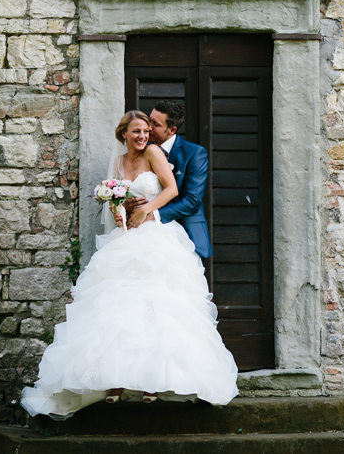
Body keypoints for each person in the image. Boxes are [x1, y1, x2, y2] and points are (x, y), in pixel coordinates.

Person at [19, 109, 237, 420]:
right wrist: (119, 210)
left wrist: (147, 209)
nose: (143, 136)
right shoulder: (120, 161)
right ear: (124, 134)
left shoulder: (153, 153)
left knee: (157, 307)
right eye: (136, 131)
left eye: (146, 131)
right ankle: (115, 381)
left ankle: (153, 382)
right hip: (125, 238)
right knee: (118, 311)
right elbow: (114, 198)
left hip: (156, 237)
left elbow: (173, 190)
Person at [125, 100, 211, 258]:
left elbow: (192, 200)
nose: (148, 127)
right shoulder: (140, 148)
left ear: (171, 130)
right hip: (145, 236)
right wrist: (127, 203)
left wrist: (152, 214)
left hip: (185, 232)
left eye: (155, 124)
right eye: (149, 120)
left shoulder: (194, 153)